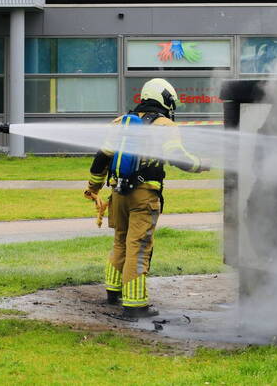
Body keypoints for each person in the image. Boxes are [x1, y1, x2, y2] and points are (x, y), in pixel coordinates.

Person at [84, 78, 209, 318]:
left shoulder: (121, 122)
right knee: (138, 247)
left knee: (120, 241)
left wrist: (94, 187)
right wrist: (201, 164)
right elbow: (177, 158)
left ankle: (113, 291)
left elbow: (102, 157)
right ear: (164, 98)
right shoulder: (165, 125)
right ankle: (135, 305)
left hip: (117, 193)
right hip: (144, 196)